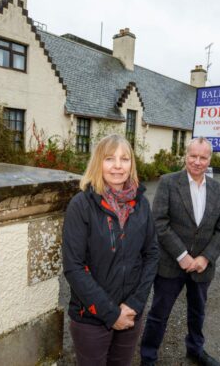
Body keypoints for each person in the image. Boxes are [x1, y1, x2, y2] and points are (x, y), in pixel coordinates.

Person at [62, 134, 159, 365]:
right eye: (109, 159)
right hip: (91, 318)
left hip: (130, 314)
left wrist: (135, 304)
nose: (117, 166)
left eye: (124, 159)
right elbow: (74, 267)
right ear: (98, 163)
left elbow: (152, 254)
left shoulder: (141, 203)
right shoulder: (81, 205)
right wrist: (111, 313)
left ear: (131, 165)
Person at [140, 137, 220, 366]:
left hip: (202, 267)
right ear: (185, 155)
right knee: (159, 314)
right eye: (193, 156)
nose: (198, 162)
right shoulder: (168, 182)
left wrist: (205, 258)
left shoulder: (219, 190)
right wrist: (182, 255)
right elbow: (159, 222)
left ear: (210, 159)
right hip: (170, 264)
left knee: (197, 313)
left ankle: (195, 350)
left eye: (203, 157)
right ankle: (148, 357)